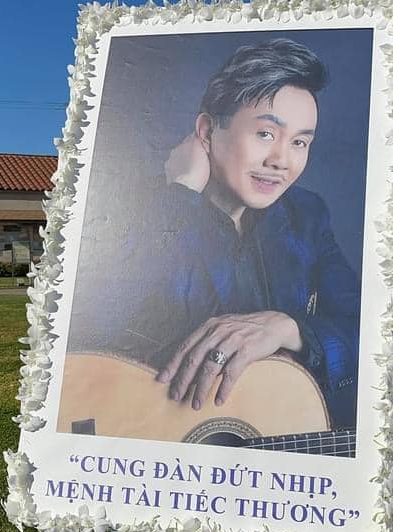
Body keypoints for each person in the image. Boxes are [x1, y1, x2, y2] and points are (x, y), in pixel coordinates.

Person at [70, 38, 361, 429]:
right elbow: (90, 331)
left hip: (266, 436)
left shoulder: (306, 216)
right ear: (207, 130)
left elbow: (372, 332)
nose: (281, 161)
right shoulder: (139, 210)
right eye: (264, 134)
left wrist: (288, 327)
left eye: (299, 142)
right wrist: (180, 199)